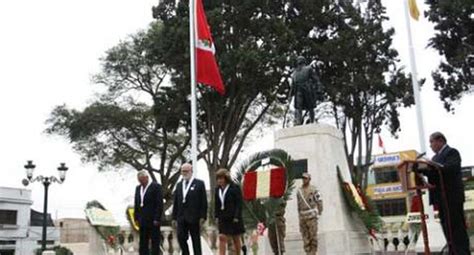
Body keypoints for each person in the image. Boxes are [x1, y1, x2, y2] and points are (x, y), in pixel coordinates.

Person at [424, 132, 470, 254]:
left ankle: (461, 251)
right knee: (446, 227)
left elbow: (451, 169)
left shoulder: (452, 152)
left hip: (452, 196)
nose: (430, 145)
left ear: (440, 140)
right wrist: (421, 170)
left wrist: (434, 166)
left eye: (431, 142)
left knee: (456, 227)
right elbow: (434, 176)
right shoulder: (434, 158)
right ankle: (452, 250)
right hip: (440, 197)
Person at [172, 163, 208, 255]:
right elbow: (176, 202)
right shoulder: (179, 185)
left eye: (186, 171)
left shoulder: (199, 183)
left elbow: (203, 202)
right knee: (181, 237)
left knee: (195, 240)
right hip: (181, 217)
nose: (184, 173)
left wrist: (203, 216)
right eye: (182, 171)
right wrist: (174, 217)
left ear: (191, 171)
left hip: (194, 217)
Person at [214, 168, 245, 255]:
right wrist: (216, 216)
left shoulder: (235, 188)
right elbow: (216, 204)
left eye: (221, 178)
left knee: (235, 238)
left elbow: (239, 203)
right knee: (222, 237)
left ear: (226, 178)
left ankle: (238, 253)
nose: (219, 181)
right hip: (223, 217)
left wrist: (236, 216)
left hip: (234, 217)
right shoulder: (217, 189)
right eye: (218, 179)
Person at [133, 170, 163, 255]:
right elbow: (137, 203)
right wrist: (136, 218)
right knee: (143, 242)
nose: (141, 182)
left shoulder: (156, 187)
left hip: (153, 220)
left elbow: (159, 204)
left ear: (147, 178)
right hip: (142, 220)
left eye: (142, 180)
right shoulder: (138, 188)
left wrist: (157, 218)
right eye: (139, 180)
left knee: (155, 242)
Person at [290, 56, 324, 125]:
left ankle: (312, 121)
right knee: (298, 107)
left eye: (300, 61)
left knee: (310, 106)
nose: (299, 63)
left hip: (307, 90)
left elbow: (315, 79)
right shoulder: (295, 73)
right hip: (298, 91)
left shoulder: (308, 68)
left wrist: (319, 88)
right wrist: (290, 95)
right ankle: (298, 122)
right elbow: (293, 86)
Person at [297, 173, 323, 255]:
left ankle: (313, 252)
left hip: (311, 217)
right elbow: (298, 204)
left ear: (309, 179)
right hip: (303, 217)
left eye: (306, 178)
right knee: (305, 237)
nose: (304, 179)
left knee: (313, 236)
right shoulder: (299, 191)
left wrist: (320, 211)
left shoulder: (314, 189)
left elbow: (319, 200)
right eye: (303, 178)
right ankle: (308, 253)